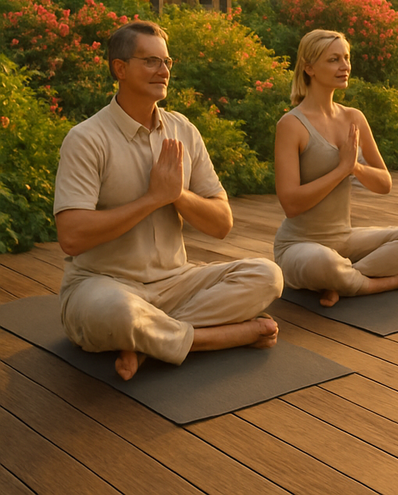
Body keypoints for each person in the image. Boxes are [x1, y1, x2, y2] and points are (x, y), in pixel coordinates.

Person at [54, 20, 284, 381]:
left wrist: (177, 195)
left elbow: (221, 224)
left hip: (177, 282)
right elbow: (71, 236)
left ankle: (151, 343)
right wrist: (152, 199)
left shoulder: (183, 131)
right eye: (150, 61)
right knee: (120, 313)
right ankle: (219, 336)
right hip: (104, 284)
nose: (163, 71)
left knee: (267, 275)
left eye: (167, 62)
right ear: (120, 69)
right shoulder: (86, 139)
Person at [274, 29, 398, 307]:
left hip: (345, 239)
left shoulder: (354, 118)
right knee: (324, 262)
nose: (345, 66)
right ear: (309, 68)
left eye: (346, 58)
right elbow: (291, 204)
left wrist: (356, 169)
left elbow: (384, 184)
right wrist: (341, 168)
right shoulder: (291, 125)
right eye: (334, 59)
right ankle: (379, 282)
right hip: (300, 246)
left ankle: (346, 281)